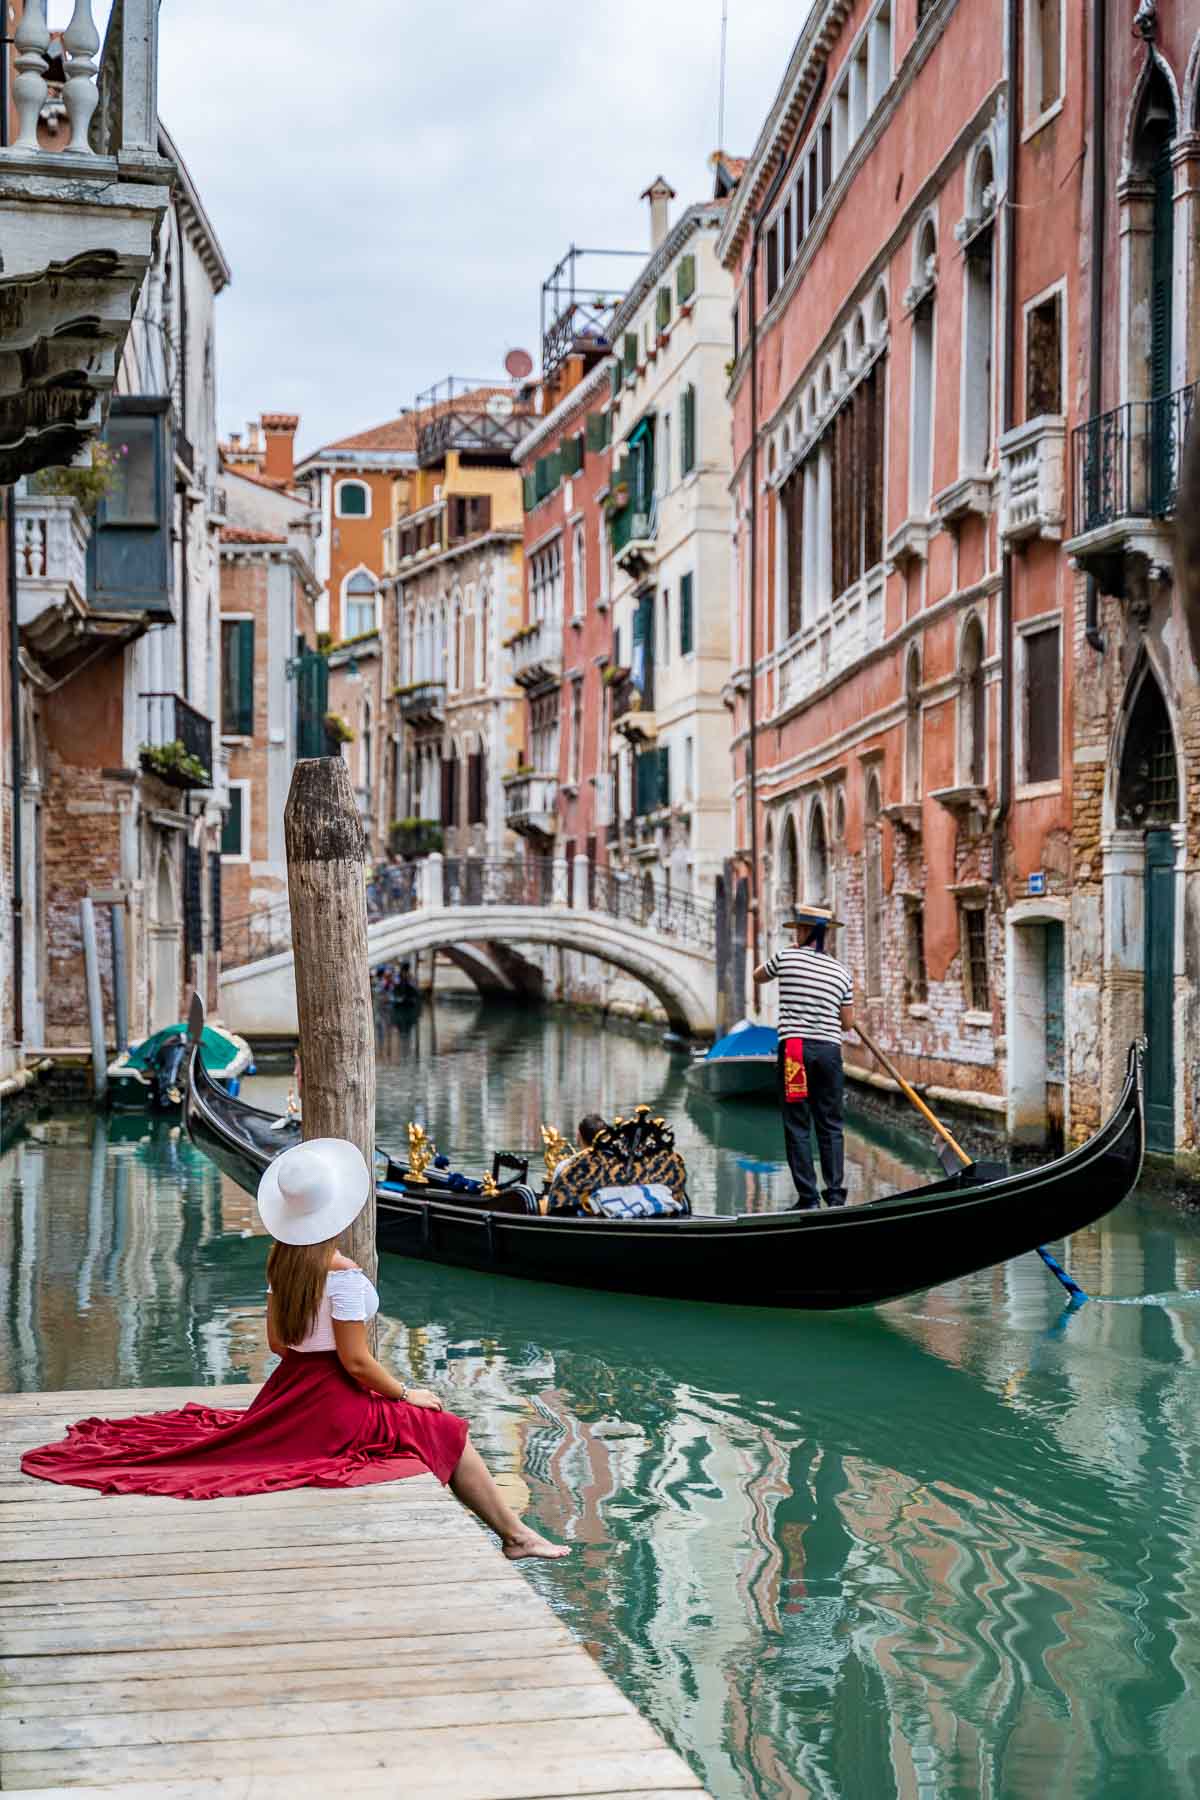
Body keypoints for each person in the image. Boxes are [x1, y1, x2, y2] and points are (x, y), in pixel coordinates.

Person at [21, 1137, 567, 1562]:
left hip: (289, 1392)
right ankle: (516, 1536)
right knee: (445, 1426)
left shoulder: (281, 1263)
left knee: (422, 1422)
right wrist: (407, 1392)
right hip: (333, 1400)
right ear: (342, 1207)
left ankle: (513, 1532)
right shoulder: (345, 1277)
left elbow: (280, 1344)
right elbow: (355, 1362)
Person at [753, 902, 854, 1209]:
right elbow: (848, 1023)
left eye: (799, 928)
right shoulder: (841, 972)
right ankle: (835, 1196)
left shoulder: (786, 957)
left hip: (795, 1050)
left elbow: (759, 976)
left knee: (798, 1124)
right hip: (829, 1052)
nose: (796, 932)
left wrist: (791, 951)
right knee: (831, 1124)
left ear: (805, 931)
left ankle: (808, 1198)